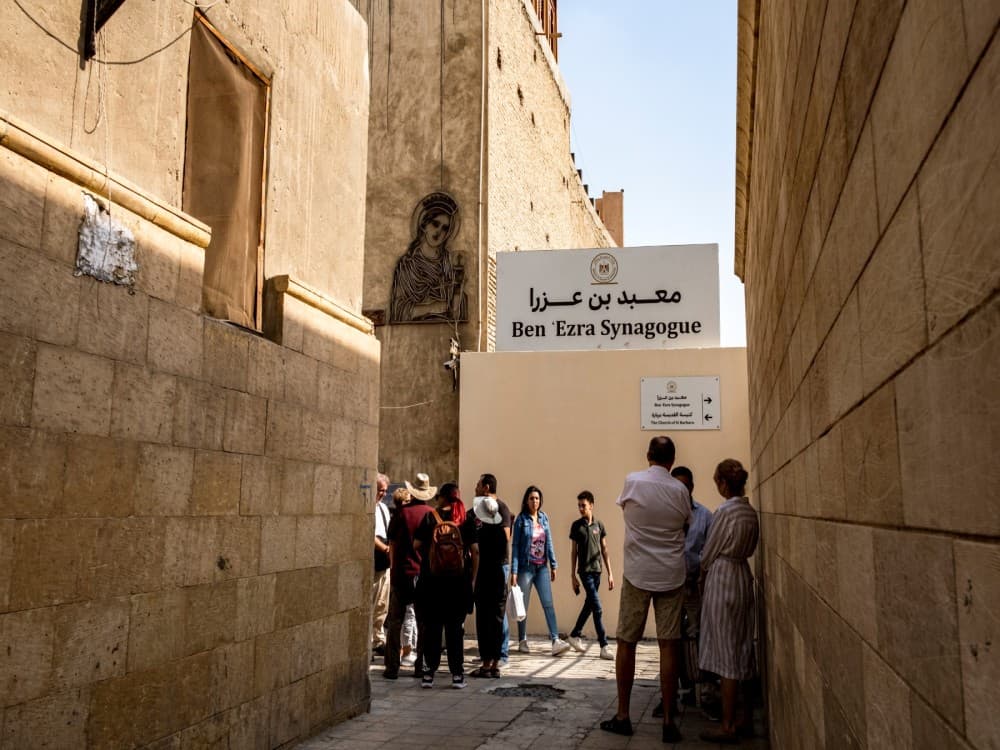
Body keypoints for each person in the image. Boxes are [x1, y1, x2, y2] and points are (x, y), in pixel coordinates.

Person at [601, 436, 691, 744]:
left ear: (648, 455)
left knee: (627, 642)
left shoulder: (632, 482)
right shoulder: (680, 490)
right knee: (669, 645)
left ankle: (623, 715)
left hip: (638, 573)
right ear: (671, 459)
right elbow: (685, 524)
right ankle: (668, 720)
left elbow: (627, 511)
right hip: (671, 574)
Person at [697, 459, 760, 744]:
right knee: (744, 646)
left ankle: (727, 724)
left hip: (723, 577)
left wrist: (701, 573)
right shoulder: (749, 511)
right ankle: (745, 717)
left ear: (723, 483)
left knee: (726, 652)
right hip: (742, 576)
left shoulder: (724, 511)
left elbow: (709, 552)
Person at [652, 465, 714, 717]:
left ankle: (702, 693)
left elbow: (709, 550)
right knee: (670, 641)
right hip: (669, 586)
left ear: (691, 488)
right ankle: (670, 696)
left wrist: (698, 574)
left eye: (685, 485)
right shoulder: (662, 514)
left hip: (694, 587)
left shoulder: (705, 516)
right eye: (676, 484)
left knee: (699, 639)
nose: (680, 489)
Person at [413, 482, 476, 689]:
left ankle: (429, 674)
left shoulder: (431, 517)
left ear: (442, 498)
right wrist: (472, 578)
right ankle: (457, 675)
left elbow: (416, 545)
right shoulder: (464, 519)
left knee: (433, 628)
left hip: (433, 583)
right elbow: (475, 551)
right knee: (454, 630)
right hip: (457, 584)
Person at [382, 473, 434, 679]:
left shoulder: (401, 514)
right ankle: (420, 667)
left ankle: (392, 667)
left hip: (402, 573)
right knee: (423, 623)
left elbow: (392, 543)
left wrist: (393, 568)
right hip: (424, 575)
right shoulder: (432, 514)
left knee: (395, 621)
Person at [388, 191, 468, 322]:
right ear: (424, 225)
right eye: (435, 224)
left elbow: (458, 309)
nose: (439, 232)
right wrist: (430, 308)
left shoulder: (448, 264)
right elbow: (397, 310)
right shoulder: (407, 265)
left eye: (445, 228)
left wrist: (458, 292)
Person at [511, 485, 571, 656]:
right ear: (526, 500)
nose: (534, 501)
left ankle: (555, 640)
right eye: (531, 498)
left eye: (537, 498)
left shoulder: (544, 518)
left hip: (542, 567)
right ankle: (522, 640)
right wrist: (514, 572)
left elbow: (549, 542)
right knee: (523, 606)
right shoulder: (521, 520)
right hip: (526, 567)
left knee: (548, 603)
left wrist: (554, 564)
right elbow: (515, 547)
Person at [566, 490, 615, 660]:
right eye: (579, 505)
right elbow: (573, 552)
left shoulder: (599, 526)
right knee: (598, 608)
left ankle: (574, 634)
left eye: (583, 505)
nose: (580, 508)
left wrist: (610, 574)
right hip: (584, 573)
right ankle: (604, 645)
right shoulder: (576, 526)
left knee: (589, 605)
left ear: (591, 506)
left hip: (597, 571)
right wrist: (572, 576)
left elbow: (605, 550)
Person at [467, 494, 511, 678]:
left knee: (484, 622)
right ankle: (495, 663)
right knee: (498, 620)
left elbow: (477, 553)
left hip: (485, 578)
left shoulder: (482, 532)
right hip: (500, 579)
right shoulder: (502, 533)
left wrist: (473, 579)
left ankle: (486, 664)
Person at [476, 473, 512, 665]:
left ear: (486, 488)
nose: (476, 488)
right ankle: (490, 664)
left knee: (489, 617)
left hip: (493, 568)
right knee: (491, 616)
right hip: (495, 568)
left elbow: (505, 536)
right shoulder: (501, 509)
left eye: (478, 484)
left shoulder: (490, 509)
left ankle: (492, 663)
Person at [371, 473, 391, 656]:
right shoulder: (368, 509)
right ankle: (370, 639)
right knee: (373, 599)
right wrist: (386, 549)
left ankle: (378, 638)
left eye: (385, 490)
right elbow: (370, 535)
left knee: (382, 602)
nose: (383, 494)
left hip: (385, 559)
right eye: (380, 490)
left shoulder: (384, 509)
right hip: (376, 556)